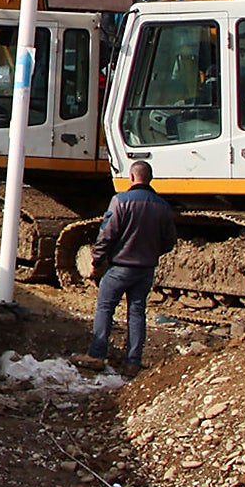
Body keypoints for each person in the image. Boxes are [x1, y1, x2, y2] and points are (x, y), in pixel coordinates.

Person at [82, 160, 178, 376]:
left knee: (105, 307)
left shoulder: (120, 201)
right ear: (150, 178)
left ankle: (96, 355)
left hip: (120, 267)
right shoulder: (163, 206)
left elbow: (107, 234)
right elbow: (170, 240)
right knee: (136, 312)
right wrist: (152, 253)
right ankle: (133, 361)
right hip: (145, 269)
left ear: (132, 178)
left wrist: (97, 260)